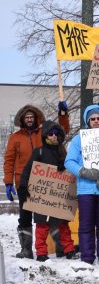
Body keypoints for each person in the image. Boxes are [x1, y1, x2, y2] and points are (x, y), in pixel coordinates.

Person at [4, 102, 70, 258]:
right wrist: (8, 182)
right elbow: (9, 159)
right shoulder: (15, 138)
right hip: (23, 182)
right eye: (26, 117)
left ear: (36, 118)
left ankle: (59, 246)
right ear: (21, 119)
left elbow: (63, 130)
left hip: (45, 180)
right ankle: (26, 249)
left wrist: (62, 114)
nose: (29, 119)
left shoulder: (44, 133)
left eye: (31, 117)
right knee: (25, 216)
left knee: (51, 214)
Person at [64, 105, 99, 268]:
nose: (95, 121)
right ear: (88, 121)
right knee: (86, 224)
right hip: (85, 189)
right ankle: (87, 256)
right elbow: (69, 162)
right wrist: (82, 171)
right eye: (92, 119)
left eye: (98, 118)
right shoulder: (78, 139)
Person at [18, 121, 77, 261]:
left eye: (56, 134)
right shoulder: (38, 152)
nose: (54, 136)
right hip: (41, 196)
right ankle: (41, 252)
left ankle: (69, 250)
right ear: (45, 135)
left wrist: (65, 167)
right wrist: (23, 186)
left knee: (63, 225)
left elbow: (71, 169)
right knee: (42, 225)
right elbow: (27, 170)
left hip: (59, 196)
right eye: (51, 133)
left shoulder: (63, 152)